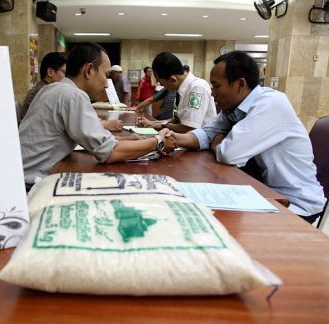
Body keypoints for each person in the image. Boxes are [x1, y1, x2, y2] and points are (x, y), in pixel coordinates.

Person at [172, 51, 326, 223]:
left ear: (240, 84)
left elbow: (229, 153)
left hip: (293, 203)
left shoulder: (271, 103)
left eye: (216, 86)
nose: (213, 94)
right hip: (262, 192)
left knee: (214, 223)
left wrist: (218, 143)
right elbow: (208, 133)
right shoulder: (234, 108)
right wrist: (173, 138)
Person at [19, 42, 177, 189]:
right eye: (106, 74)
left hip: (21, 173)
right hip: (31, 182)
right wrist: (158, 141)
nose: (107, 83)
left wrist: (126, 139)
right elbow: (109, 153)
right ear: (89, 70)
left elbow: (89, 137)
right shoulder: (73, 95)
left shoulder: (54, 88)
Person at [136, 52, 216, 133]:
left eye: (162, 83)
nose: (161, 86)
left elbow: (189, 128)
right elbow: (178, 120)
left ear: (173, 79)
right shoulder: (180, 89)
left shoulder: (197, 88)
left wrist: (162, 125)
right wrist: (152, 123)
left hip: (200, 142)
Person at [21, 52, 67, 120]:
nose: (65, 77)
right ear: (50, 72)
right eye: (64, 72)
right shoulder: (44, 92)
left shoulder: (42, 89)